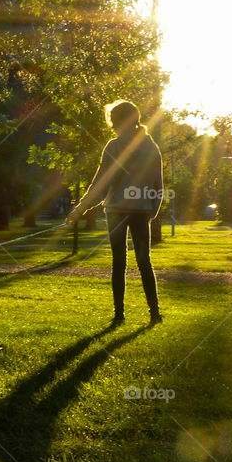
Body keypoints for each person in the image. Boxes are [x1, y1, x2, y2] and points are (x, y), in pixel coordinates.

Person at [68, 100, 164, 324]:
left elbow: (100, 185)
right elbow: (158, 187)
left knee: (120, 262)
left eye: (114, 122)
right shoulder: (151, 147)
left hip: (118, 211)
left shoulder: (115, 146)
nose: (112, 127)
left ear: (122, 121)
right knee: (143, 261)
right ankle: (154, 314)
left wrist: (79, 210)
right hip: (139, 211)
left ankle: (120, 315)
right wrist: (151, 211)